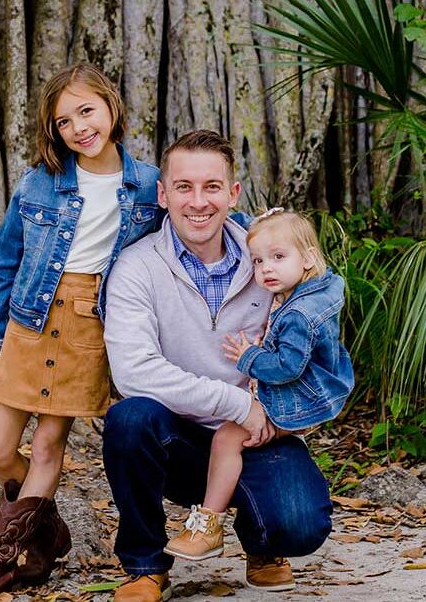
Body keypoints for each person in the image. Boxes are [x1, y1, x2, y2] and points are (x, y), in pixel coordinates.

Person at [0, 64, 160, 602]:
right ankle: (48, 529)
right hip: (29, 321)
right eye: (64, 121)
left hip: (89, 324)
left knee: (47, 444)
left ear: (111, 106)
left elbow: (198, 213)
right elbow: (5, 265)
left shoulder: (148, 185)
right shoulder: (38, 181)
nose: (78, 128)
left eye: (86, 111)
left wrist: (259, 227)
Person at [102, 130, 333, 602]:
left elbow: (315, 346)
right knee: (128, 420)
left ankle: (264, 544)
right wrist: (234, 403)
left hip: (260, 431)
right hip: (179, 436)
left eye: (212, 187)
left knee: (301, 525)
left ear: (233, 193)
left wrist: (273, 415)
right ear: (163, 195)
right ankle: (145, 566)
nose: (198, 201)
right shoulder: (136, 266)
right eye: (183, 187)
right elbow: (133, 371)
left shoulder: (271, 259)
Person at [164, 208, 354, 562]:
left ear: (309, 258)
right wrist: (239, 216)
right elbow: (277, 239)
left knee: (226, 439)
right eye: (257, 260)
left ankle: (208, 524)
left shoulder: (300, 314)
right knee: (241, 439)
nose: (266, 268)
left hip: (296, 397)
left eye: (278, 257)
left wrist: (248, 357)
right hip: (312, 396)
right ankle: (252, 527)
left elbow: (287, 366)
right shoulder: (315, 287)